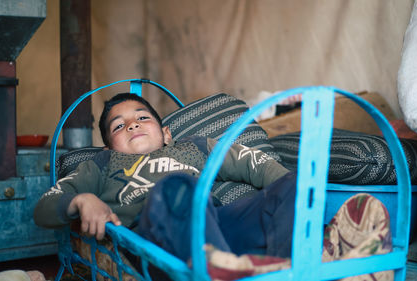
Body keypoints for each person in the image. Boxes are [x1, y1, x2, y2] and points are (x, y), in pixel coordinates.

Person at [34, 93, 393, 280]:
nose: (132, 125)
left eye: (142, 118)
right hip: (160, 244)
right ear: (109, 146)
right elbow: (45, 207)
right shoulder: (98, 165)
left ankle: (300, 263)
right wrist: (82, 200)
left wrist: (290, 193)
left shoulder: (195, 148)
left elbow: (256, 165)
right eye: (119, 126)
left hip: (222, 240)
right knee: (176, 188)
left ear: (167, 133)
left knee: (291, 183)